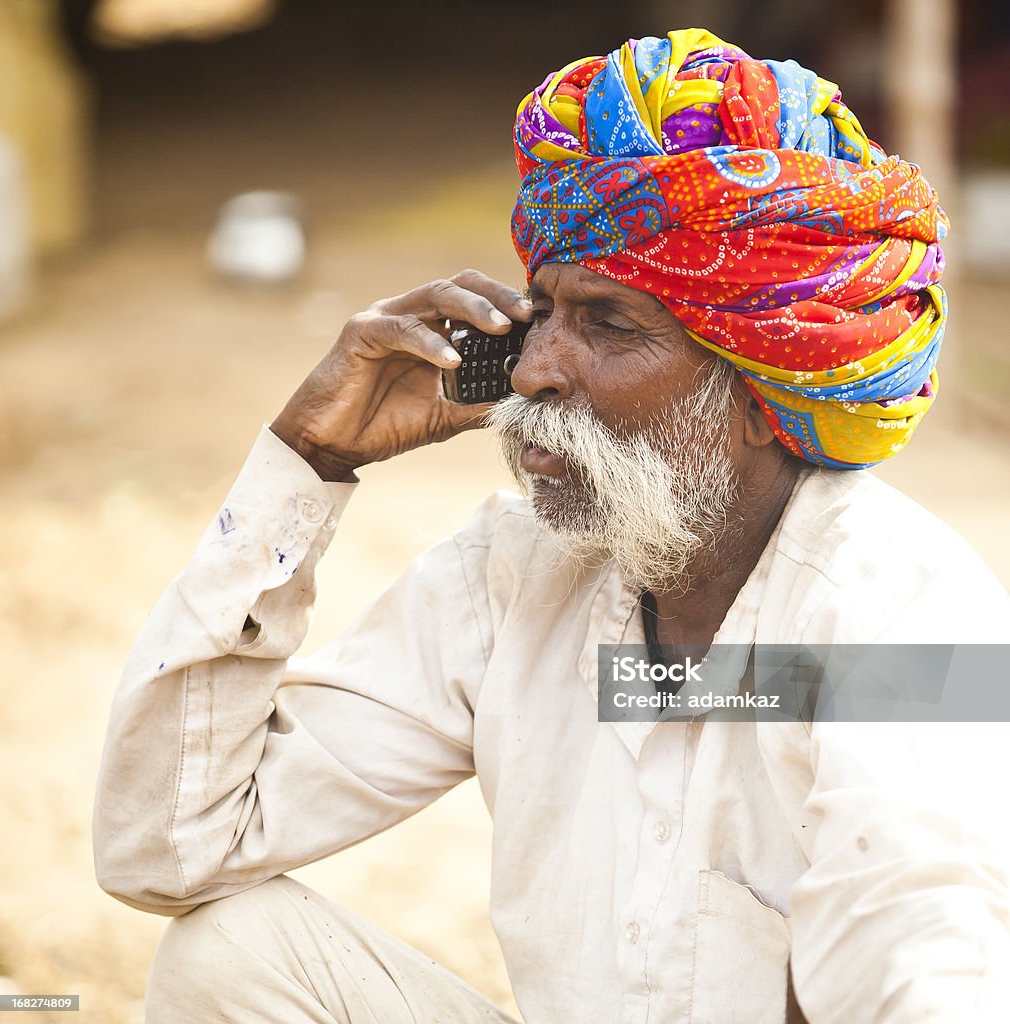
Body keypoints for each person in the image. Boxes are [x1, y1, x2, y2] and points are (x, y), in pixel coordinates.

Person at [94, 28, 1010, 1024]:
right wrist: (307, 463)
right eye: (541, 310)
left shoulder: (907, 613)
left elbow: (928, 962)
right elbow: (168, 847)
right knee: (231, 953)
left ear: (758, 397)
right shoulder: (517, 574)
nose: (533, 369)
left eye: (609, 325)